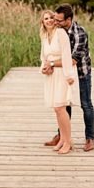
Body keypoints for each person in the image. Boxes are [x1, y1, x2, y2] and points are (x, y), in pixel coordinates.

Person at [43, 4, 94, 151]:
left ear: (69, 19)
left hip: (81, 73)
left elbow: (72, 60)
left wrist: (52, 63)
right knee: (63, 104)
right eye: (56, 19)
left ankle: (90, 138)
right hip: (65, 74)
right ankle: (62, 137)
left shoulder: (80, 33)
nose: (57, 22)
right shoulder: (58, 31)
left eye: (60, 20)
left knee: (86, 104)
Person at [39, 10, 77, 155]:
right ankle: (61, 139)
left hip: (62, 74)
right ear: (42, 22)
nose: (48, 20)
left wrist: (68, 74)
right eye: (45, 19)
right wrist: (44, 68)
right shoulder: (44, 36)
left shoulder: (61, 33)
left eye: (50, 18)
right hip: (51, 75)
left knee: (61, 108)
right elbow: (44, 57)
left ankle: (68, 142)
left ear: (55, 20)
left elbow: (67, 55)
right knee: (56, 109)